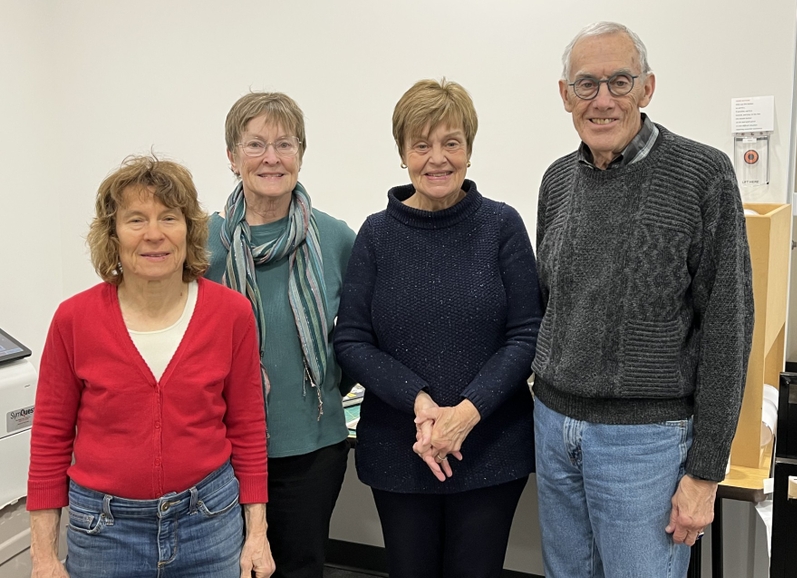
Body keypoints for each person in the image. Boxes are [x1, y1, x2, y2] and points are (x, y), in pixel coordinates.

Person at [533, 22, 754, 577]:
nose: (602, 100)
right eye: (586, 84)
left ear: (647, 88)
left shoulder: (702, 174)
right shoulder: (557, 181)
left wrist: (705, 472)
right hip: (556, 429)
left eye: (620, 82)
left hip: (647, 445)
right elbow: (552, 307)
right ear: (565, 95)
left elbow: (728, 328)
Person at [333, 79, 542, 578]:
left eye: (451, 142)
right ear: (402, 153)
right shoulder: (377, 234)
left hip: (490, 445)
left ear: (470, 149)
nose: (437, 158)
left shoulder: (501, 226)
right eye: (421, 144)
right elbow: (351, 339)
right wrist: (421, 404)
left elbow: (528, 333)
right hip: (401, 449)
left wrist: (467, 413)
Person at [27, 156, 274, 578]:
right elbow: (50, 438)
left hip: (209, 526)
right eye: (136, 220)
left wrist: (257, 534)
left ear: (189, 230)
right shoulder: (74, 319)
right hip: (103, 534)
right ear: (113, 233)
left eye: (169, 218)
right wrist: (44, 557)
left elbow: (248, 427)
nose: (154, 235)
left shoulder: (232, 314)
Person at [205, 92, 356, 578]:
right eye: (255, 144)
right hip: (222, 448)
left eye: (285, 144)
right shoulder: (200, 244)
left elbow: (359, 335)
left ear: (301, 154)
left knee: (301, 567)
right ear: (232, 157)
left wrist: (329, 382)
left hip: (312, 446)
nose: (271, 157)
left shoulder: (335, 238)